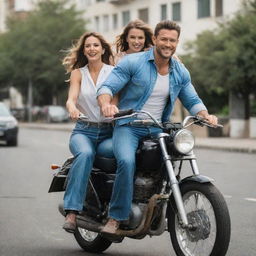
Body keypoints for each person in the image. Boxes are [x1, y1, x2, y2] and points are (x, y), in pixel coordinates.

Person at [97, 20, 218, 234]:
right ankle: (115, 217)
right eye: (164, 39)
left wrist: (205, 115)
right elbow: (108, 86)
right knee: (126, 160)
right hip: (129, 125)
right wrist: (106, 104)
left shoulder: (180, 71)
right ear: (154, 39)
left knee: (175, 157)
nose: (168, 44)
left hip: (157, 127)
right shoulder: (133, 63)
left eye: (172, 40)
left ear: (177, 42)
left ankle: (158, 204)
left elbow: (192, 99)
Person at [62, 31, 116, 233]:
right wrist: (72, 108)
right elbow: (71, 98)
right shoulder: (78, 73)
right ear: (84, 51)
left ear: (103, 49)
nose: (91, 49)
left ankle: (113, 207)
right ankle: (72, 212)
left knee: (124, 156)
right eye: (88, 46)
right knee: (85, 154)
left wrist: (113, 108)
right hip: (83, 131)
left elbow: (116, 98)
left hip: (108, 132)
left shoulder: (113, 71)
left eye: (95, 45)